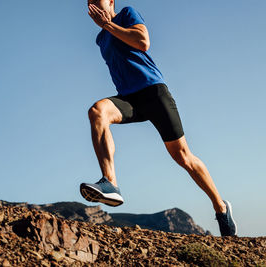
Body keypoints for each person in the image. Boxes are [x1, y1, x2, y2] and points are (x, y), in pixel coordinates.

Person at [79, 0, 237, 237]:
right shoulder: (100, 39)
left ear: (111, 1)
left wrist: (109, 25)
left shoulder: (126, 15)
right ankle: (110, 182)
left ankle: (221, 207)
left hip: (154, 92)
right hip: (129, 100)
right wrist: (105, 28)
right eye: (88, 1)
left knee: (183, 157)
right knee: (97, 112)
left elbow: (143, 43)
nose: (92, 3)